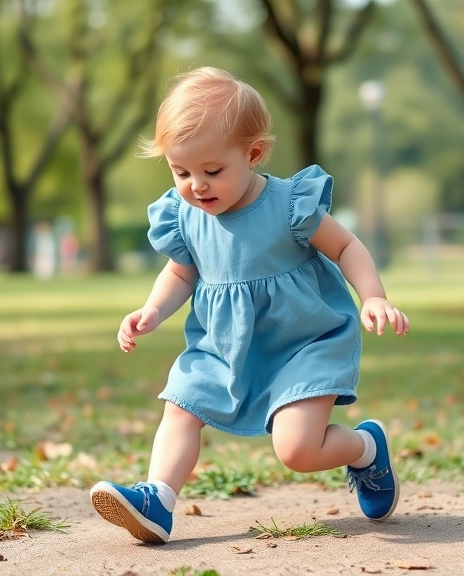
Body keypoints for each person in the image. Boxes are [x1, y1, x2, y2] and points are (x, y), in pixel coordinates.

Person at [89, 67, 410, 544]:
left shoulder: (288, 205)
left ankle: (365, 448)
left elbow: (346, 247)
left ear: (253, 153)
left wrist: (374, 296)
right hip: (223, 344)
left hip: (304, 340)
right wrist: (153, 310)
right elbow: (181, 272)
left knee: (297, 450)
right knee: (180, 407)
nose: (197, 185)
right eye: (182, 172)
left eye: (212, 171)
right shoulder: (187, 215)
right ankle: (158, 499)